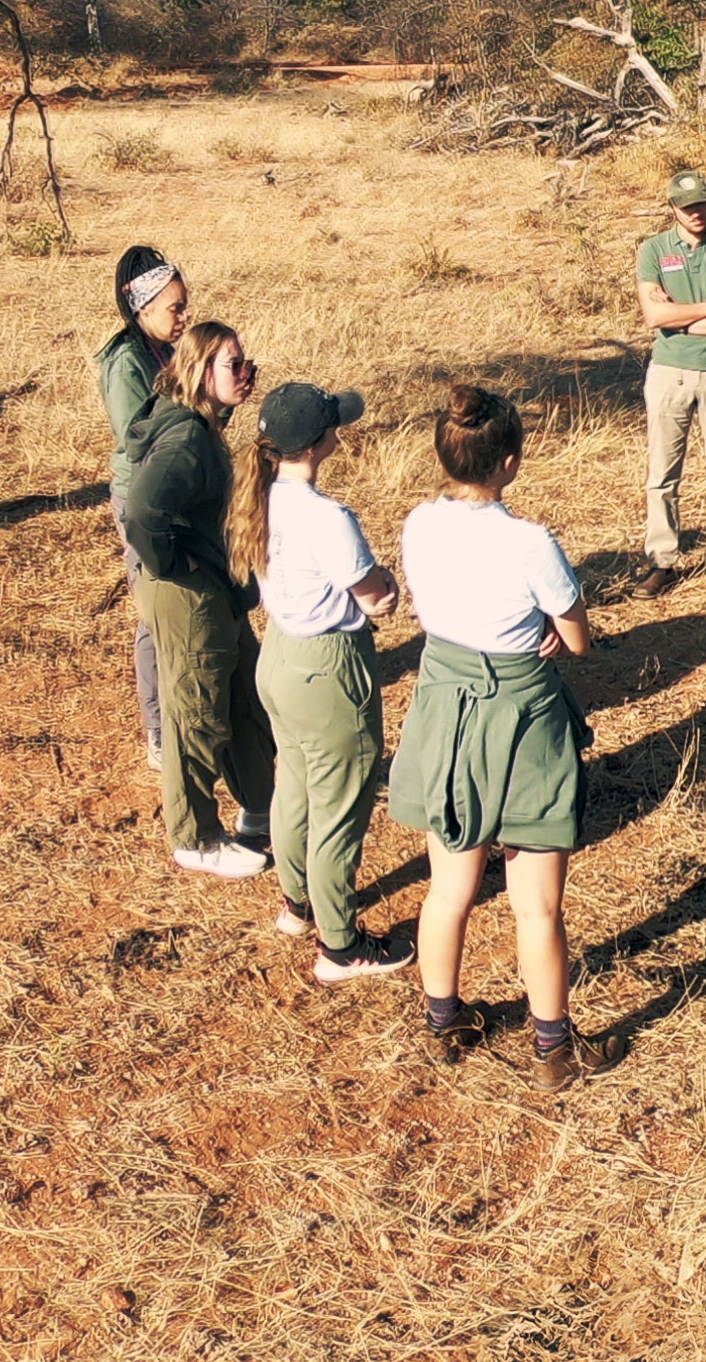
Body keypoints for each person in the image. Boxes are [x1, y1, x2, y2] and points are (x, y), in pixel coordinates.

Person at [389, 385, 622, 1087]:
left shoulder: (417, 523)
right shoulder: (530, 542)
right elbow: (577, 639)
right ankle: (552, 1048)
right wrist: (552, 634)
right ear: (511, 462)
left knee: (449, 887)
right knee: (537, 904)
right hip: (520, 717)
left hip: (444, 707)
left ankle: (442, 1021)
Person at [238, 377, 409, 982]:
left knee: (297, 783)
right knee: (340, 804)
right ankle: (341, 945)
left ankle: (298, 903)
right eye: (334, 423)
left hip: (279, 657)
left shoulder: (258, 499)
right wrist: (385, 584)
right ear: (314, 445)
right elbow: (376, 598)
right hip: (329, 667)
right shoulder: (329, 517)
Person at [123, 318, 277, 880]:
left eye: (246, 362)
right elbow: (143, 513)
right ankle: (195, 836)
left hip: (215, 588)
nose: (246, 372)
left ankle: (262, 807)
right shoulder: (186, 436)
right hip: (190, 595)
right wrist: (176, 563)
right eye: (233, 364)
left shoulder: (198, 421)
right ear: (199, 370)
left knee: (241, 694)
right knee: (198, 709)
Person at [93, 245, 195, 767]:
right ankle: (158, 727)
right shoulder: (125, 362)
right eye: (175, 307)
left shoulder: (167, 351)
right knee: (154, 612)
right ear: (143, 308)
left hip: (184, 487)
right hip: (145, 497)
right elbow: (139, 438)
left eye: (185, 305)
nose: (184, 316)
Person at [627, 170, 706, 595]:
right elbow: (653, 318)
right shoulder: (653, 251)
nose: (696, 212)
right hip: (669, 372)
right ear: (672, 209)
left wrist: (680, 318)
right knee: (662, 474)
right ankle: (662, 559)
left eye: (701, 203)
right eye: (687, 207)